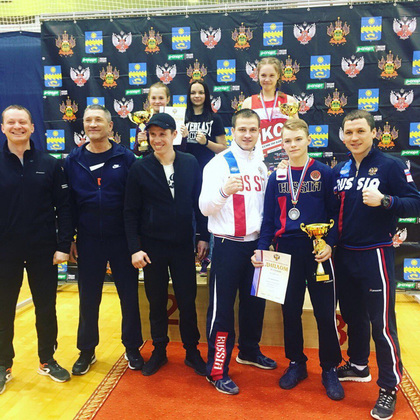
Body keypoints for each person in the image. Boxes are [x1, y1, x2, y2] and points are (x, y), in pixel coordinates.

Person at [334, 110, 420, 420]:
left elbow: (415, 202)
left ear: (373, 133)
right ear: (343, 136)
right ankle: (359, 365)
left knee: (382, 324)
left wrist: (386, 201)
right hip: (344, 255)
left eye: (360, 131)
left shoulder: (391, 165)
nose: (354, 137)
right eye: (349, 132)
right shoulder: (340, 168)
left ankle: (389, 387)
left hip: (375, 254)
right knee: (353, 317)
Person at [251, 118, 344, 401]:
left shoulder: (323, 173)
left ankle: (329, 367)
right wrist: (261, 248)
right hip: (285, 251)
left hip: (317, 249)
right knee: (290, 311)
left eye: (298, 139)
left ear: (308, 140)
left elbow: (336, 214)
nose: (293, 145)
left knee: (324, 312)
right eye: (287, 141)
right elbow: (269, 219)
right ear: (282, 144)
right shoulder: (276, 177)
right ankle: (296, 363)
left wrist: (330, 244)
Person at [124, 112, 209, 377]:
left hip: (183, 245)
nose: (157, 139)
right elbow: (130, 211)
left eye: (162, 134)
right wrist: (134, 248)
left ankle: (192, 351)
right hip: (152, 248)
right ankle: (159, 350)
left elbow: (199, 203)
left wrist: (203, 236)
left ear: (174, 134)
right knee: (157, 301)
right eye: (152, 135)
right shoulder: (140, 167)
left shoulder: (190, 162)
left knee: (187, 300)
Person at [199, 109, 276, 396]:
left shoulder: (261, 165)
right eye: (242, 129)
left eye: (252, 129)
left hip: (256, 245)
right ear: (233, 131)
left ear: (259, 132)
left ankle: (249, 351)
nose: (247, 134)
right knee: (222, 310)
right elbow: (204, 208)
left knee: (255, 303)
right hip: (227, 245)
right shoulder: (218, 164)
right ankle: (217, 370)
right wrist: (223, 192)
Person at [64, 105, 143, 376]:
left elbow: (136, 202)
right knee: (88, 299)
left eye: (99, 120)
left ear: (110, 126)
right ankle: (86, 350)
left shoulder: (127, 158)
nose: (93, 124)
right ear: (83, 126)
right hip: (88, 240)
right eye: (88, 120)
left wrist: (136, 241)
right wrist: (70, 238)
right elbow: (68, 204)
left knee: (129, 298)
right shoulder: (72, 160)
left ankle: (132, 347)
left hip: (122, 239)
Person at [0, 105, 72, 393]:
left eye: (23, 122)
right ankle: (3, 364)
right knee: (3, 308)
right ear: (3, 127)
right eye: (11, 122)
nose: (17, 126)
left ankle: (47, 360)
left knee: (46, 307)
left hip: (43, 250)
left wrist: (63, 246)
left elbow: (64, 208)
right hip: (5, 251)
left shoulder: (50, 164)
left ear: (32, 127)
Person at [180, 80, 227, 276]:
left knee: (206, 213)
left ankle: (207, 259)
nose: (197, 96)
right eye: (193, 93)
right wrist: (182, 137)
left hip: (207, 173)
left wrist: (206, 142)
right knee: (186, 214)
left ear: (206, 95)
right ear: (189, 96)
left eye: (201, 92)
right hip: (185, 173)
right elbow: (173, 145)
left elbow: (223, 148)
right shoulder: (182, 116)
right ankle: (185, 260)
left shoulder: (214, 119)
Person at [242, 57, 298, 165]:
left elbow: (298, 131)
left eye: (271, 75)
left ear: (278, 76)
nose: (267, 79)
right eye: (263, 75)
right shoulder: (248, 103)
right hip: (256, 160)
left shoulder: (289, 101)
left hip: (285, 160)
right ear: (258, 76)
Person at [133, 82, 171, 157]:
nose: (157, 101)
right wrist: (139, 142)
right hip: (150, 161)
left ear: (167, 99)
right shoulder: (143, 119)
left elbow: (181, 149)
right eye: (153, 98)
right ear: (149, 99)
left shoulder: (175, 117)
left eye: (161, 98)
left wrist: (183, 137)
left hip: (170, 160)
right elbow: (137, 152)